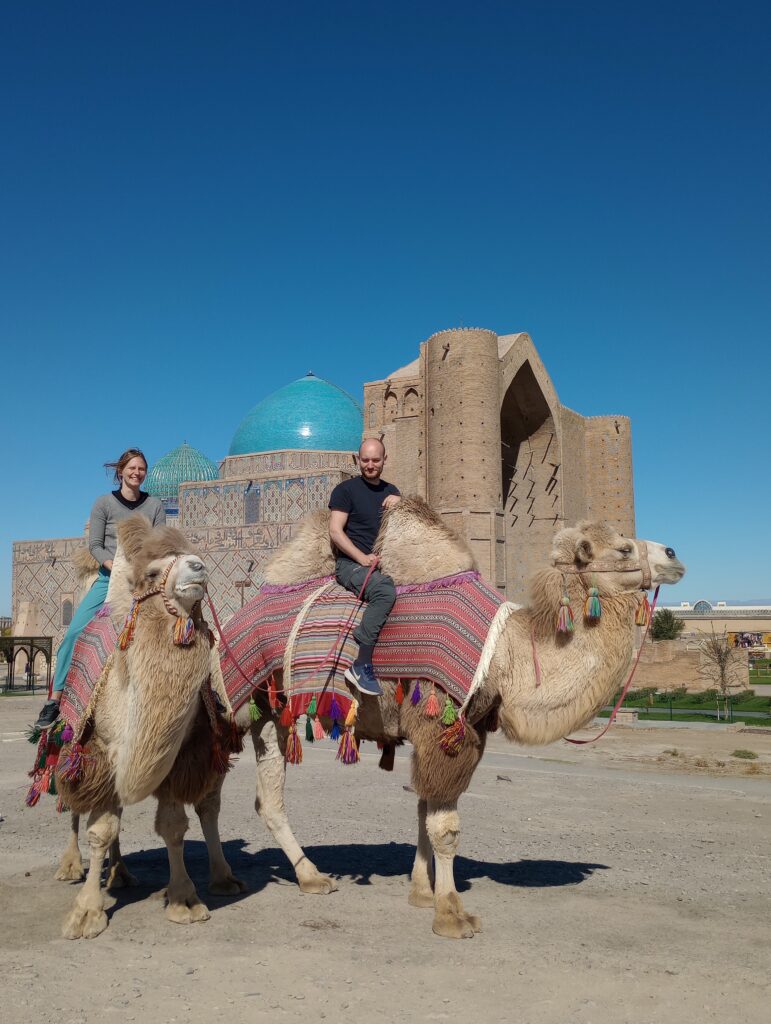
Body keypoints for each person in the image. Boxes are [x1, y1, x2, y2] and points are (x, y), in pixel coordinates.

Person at [34, 448, 165, 730]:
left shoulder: (154, 506)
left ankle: (202, 693)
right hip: (108, 579)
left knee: (180, 624)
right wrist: (111, 564)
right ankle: (54, 701)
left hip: (144, 580)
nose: (136, 473)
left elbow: (160, 542)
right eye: (131, 468)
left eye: (141, 469)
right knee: (73, 634)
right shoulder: (103, 504)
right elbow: (94, 544)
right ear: (120, 471)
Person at [328, 438, 401, 696]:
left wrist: (401, 504)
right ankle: (361, 663)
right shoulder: (345, 490)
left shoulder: (392, 491)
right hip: (351, 565)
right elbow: (336, 531)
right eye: (365, 460)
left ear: (384, 459)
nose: (370, 465)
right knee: (383, 591)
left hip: (382, 563)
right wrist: (361, 557)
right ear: (357, 459)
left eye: (376, 460)